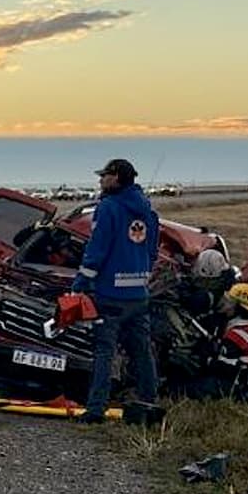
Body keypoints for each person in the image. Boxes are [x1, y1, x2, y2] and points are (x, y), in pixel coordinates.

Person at [71, 159, 160, 424]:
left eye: (104, 176)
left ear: (117, 178)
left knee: (104, 352)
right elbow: (153, 251)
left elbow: (96, 250)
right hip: (139, 295)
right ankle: (150, 404)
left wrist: (80, 284)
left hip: (110, 295)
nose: (100, 180)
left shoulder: (108, 208)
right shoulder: (148, 212)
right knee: (142, 352)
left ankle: (96, 409)